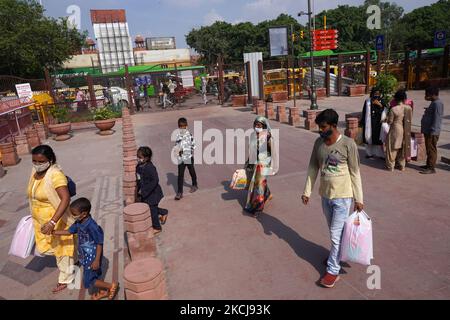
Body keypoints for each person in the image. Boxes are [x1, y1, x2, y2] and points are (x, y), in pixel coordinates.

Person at [301, 109, 364, 289]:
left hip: (343, 197)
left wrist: (359, 198)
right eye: (319, 128)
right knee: (334, 232)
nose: (320, 131)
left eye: (323, 127)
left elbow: (355, 172)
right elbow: (313, 167)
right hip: (325, 196)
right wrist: (307, 191)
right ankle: (338, 255)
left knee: (336, 235)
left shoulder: (348, 144)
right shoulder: (318, 143)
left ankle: (332, 270)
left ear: (334, 126)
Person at [27, 145, 76, 294]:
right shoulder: (35, 172)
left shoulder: (55, 174)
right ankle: (76, 259)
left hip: (55, 219)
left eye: (40, 161)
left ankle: (65, 278)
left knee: (61, 249)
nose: (37, 164)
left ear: (50, 160)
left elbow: (65, 198)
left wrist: (53, 221)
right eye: (34, 161)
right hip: (40, 220)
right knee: (55, 248)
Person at [53, 198, 119, 300]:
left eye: (74, 214)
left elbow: (99, 243)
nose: (72, 216)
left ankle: (111, 286)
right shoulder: (78, 223)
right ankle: (103, 290)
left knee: (89, 280)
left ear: (84, 214)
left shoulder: (92, 226)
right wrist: (54, 232)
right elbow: (69, 232)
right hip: (85, 256)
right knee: (93, 276)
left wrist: (97, 260)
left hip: (92, 257)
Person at [244, 116, 278, 216]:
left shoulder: (268, 137)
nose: (256, 127)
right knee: (257, 182)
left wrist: (274, 167)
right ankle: (267, 193)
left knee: (259, 185)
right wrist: (249, 162)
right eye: (255, 125)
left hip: (265, 164)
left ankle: (258, 209)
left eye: (259, 125)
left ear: (264, 126)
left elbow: (273, 153)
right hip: (255, 163)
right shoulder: (253, 136)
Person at [136, 147, 168, 235]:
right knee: (150, 208)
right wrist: (138, 191)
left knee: (152, 210)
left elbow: (155, 180)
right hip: (144, 193)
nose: (138, 159)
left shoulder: (150, 168)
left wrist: (144, 191)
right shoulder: (138, 167)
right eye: (137, 156)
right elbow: (138, 179)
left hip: (153, 193)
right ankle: (164, 212)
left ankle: (157, 227)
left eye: (140, 157)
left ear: (146, 158)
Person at [385, 89, 412, 171]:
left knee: (392, 148)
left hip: (395, 129)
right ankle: (401, 166)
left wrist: (385, 119)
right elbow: (409, 120)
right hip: (404, 129)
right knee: (402, 148)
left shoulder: (394, 109)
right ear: (404, 98)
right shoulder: (408, 108)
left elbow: (390, 121)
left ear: (396, 98)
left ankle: (390, 166)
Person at [420, 86, 444, 174]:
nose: (426, 96)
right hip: (429, 131)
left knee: (431, 149)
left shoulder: (437, 104)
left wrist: (433, 131)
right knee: (429, 148)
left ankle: (431, 168)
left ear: (433, 94)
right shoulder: (434, 103)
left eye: (427, 95)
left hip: (432, 132)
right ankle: (428, 164)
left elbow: (437, 119)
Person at [174, 117, 198, 200]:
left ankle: (194, 185)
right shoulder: (177, 136)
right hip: (181, 159)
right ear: (178, 127)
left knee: (192, 171)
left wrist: (188, 151)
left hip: (188, 158)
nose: (182, 128)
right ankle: (179, 192)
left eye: (184, 126)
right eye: (180, 126)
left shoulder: (190, 135)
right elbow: (176, 146)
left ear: (186, 126)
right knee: (180, 175)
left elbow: (194, 146)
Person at [361, 88, 387, 159]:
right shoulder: (367, 101)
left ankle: (380, 155)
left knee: (377, 139)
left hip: (377, 124)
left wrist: (380, 105)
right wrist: (362, 122)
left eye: (378, 94)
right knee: (368, 138)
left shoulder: (382, 101)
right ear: (372, 94)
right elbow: (364, 112)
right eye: (375, 94)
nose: (376, 95)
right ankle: (369, 154)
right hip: (368, 123)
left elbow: (384, 112)